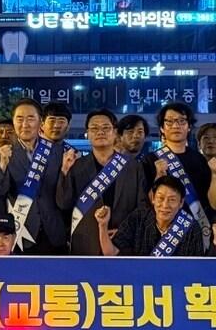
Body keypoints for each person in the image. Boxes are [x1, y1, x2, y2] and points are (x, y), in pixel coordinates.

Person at [57, 108, 149, 255]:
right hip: (85, 245)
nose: (100, 132)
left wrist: (124, 232)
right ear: (87, 134)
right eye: (94, 128)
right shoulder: (77, 166)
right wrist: (64, 172)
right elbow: (64, 203)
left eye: (106, 127)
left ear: (115, 133)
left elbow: (142, 206)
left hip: (122, 243)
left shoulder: (133, 167)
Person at [0, 98, 70, 253]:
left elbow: (65, 197)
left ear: (41, 122)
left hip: (53, 232)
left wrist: (65, 172)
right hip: (21, 231)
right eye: (19, 119)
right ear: (13, 122)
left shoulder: (58, 151)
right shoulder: (5, 152)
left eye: (31, 119)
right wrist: (2, 164)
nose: (25, 124)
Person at [141, 102, 216, 250]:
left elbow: (213, 202)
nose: (176, 125)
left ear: (189, 126)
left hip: (195, 230)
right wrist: (159, 175)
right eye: (169, 121)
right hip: (162, 232)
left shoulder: (200, 159)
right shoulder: (150, 160)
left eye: (181, 121)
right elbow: (147, 201)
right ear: (162, 128)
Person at [96, 175, 205, 257]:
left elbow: (195, 268)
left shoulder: (191, 228)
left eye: (172, 200)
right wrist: (103, 225)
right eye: (160, 198)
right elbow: (111, 253)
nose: (165, 205)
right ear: (153, 198)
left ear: (181, 203)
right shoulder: (139, 217)